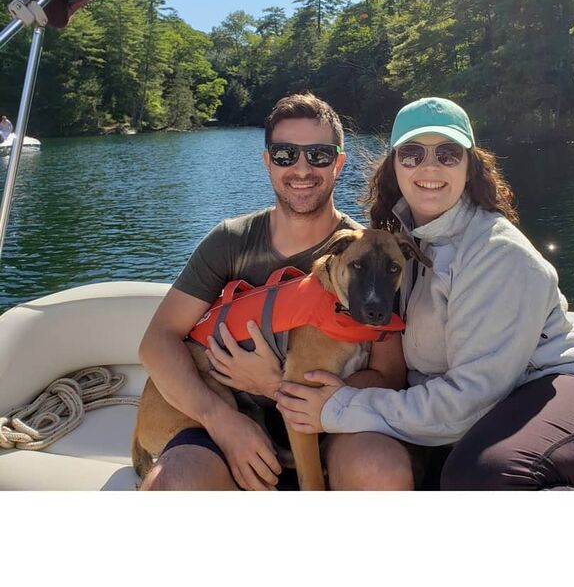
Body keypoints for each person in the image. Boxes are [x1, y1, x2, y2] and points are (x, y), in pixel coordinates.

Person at [274, 96, 574, 490]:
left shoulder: (497, 252)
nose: (429, 166)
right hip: (487, 413)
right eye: (412, 154)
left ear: (470, 167)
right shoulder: (403, 248)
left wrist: (338, 407)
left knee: (482, 477)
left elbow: (470, 401)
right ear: (394, 168)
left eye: (448, 154)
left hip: (565, 397)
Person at [137, 93, 408, 491]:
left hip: (331, 423)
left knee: (382, 469)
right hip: (224, 412)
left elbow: (389, 376)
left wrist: (283, 390)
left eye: (318, 154)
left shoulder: (369, 254)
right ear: (267, 162)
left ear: (339, 163)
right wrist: (223, 422)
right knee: (174, 483)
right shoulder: (232, 240)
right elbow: (156, 343)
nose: (302, 168)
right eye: (285, 154)